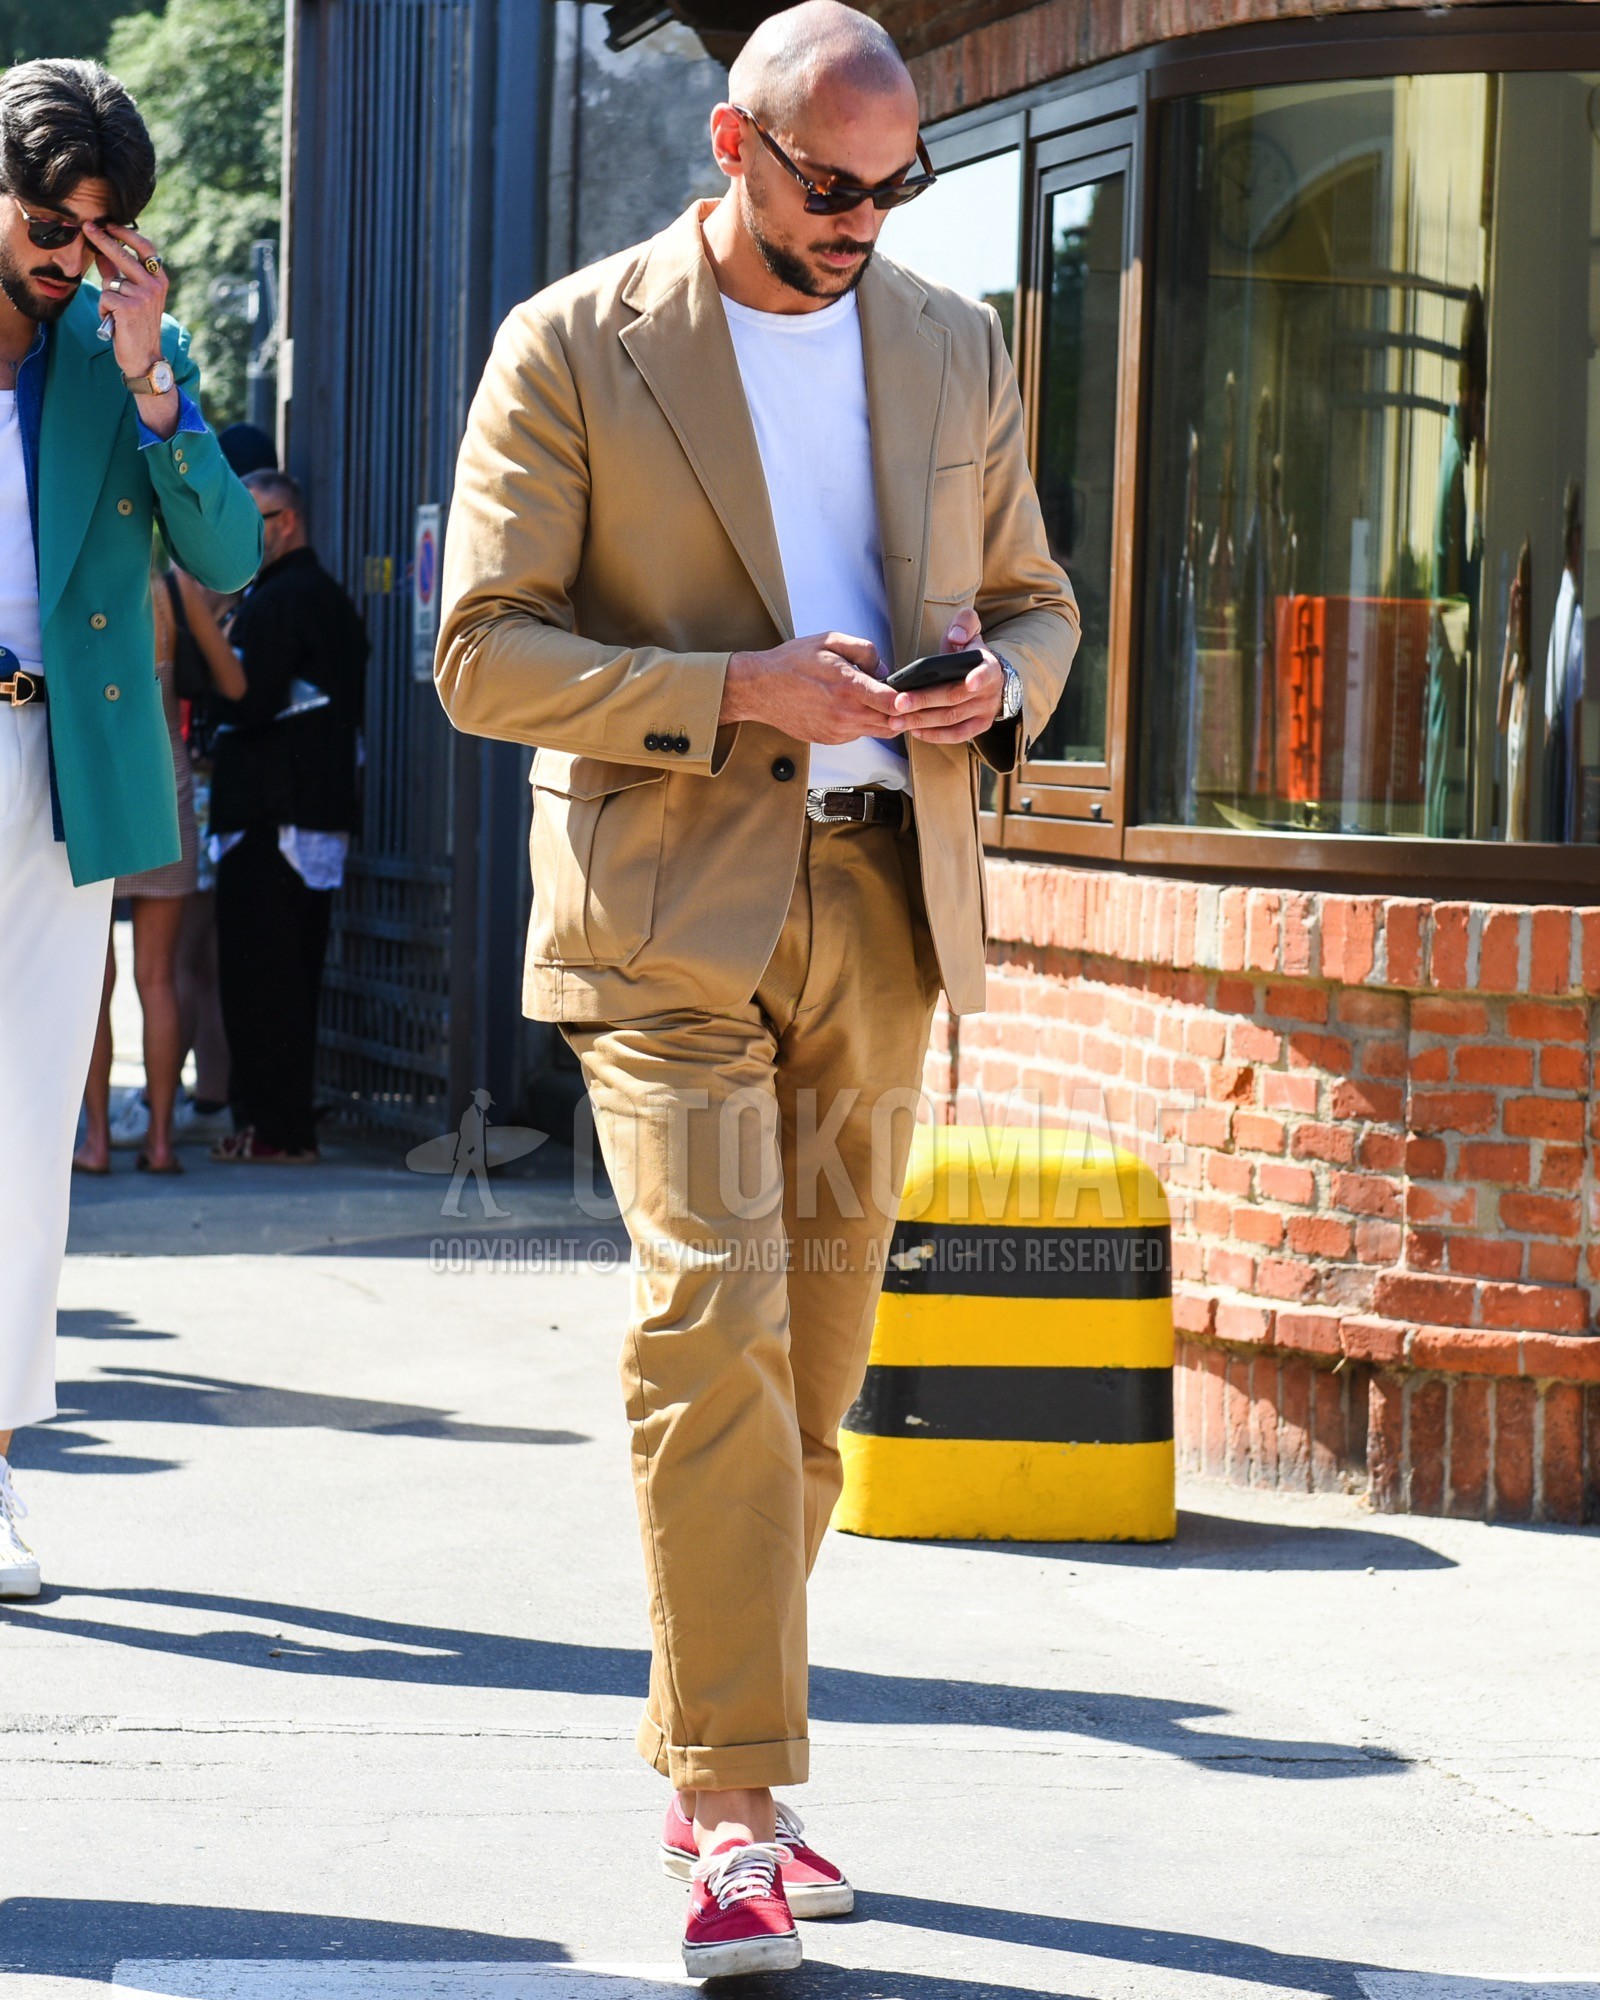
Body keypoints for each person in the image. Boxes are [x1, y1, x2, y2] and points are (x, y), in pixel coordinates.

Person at [436, 4, 1077, 1977]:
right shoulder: (573, 341)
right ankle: (727, 1811)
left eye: (895, 190)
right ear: (731, 140)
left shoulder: (953, 341)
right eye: (829, 184)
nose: (863, 221)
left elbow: (1037, 595)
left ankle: (722, 1753)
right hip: (664, 919)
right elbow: (481, 654)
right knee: (707, 1315)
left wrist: (1001, 689)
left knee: (803, 1388)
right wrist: (731, 694)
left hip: (886, 907)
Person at [0, 57, 263, 1598]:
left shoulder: (111, 357)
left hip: (55, 770)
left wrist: (156, 370)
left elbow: (221, 542)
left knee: (27, 1135)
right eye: (50, 215)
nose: (72, 248)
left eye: (102, 227)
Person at [208, 469, 368, 1164]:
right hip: (311, 815)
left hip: (272, 818)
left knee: (261, 981)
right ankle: (281, 1126)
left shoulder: (280, 600)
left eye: (256, 519)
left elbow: (245, 699)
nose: (246, 535)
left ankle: (273, 1130)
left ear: (288, 522)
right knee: (292, 978)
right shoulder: (326, 598)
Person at [72, 562, 247, 1175]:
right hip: (163, 790)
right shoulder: (172, 590)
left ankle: (94, 1142)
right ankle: (162, 1142)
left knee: (94, 985)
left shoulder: (75, 580)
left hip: (90, 789)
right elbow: (234, 682)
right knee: (159, 979)